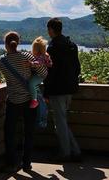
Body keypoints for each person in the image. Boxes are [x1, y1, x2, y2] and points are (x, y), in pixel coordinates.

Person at [0, 31, 47, 172]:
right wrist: (32, 69)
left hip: (13, 101)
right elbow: (44, 73)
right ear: (18, 43)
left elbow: (9, 78)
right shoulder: (27, 56)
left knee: (9, 132)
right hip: (30, 101)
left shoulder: (1, 60)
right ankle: (26, 163)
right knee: (29, 132)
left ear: (6, 44)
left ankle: (11, 162)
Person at [44, 17, 82, 162]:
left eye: (48, 29)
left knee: (60, 123)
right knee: (62, 121)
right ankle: (75, 151)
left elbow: (50, 72)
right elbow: (77, 68)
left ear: (51, 30)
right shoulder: (71, 45)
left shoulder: (53, 47)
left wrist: (46, 91)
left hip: (57, 90)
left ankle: (65, 154)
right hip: (70, 88)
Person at [28, 36, 52, 108]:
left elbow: (39, 63)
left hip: (40, 75)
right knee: (33, 84)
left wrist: (31, 64)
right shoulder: (41, 55)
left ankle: (34, 100)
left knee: (31, 83)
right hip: (38, 74)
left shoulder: (42, 56)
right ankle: (36, 95)